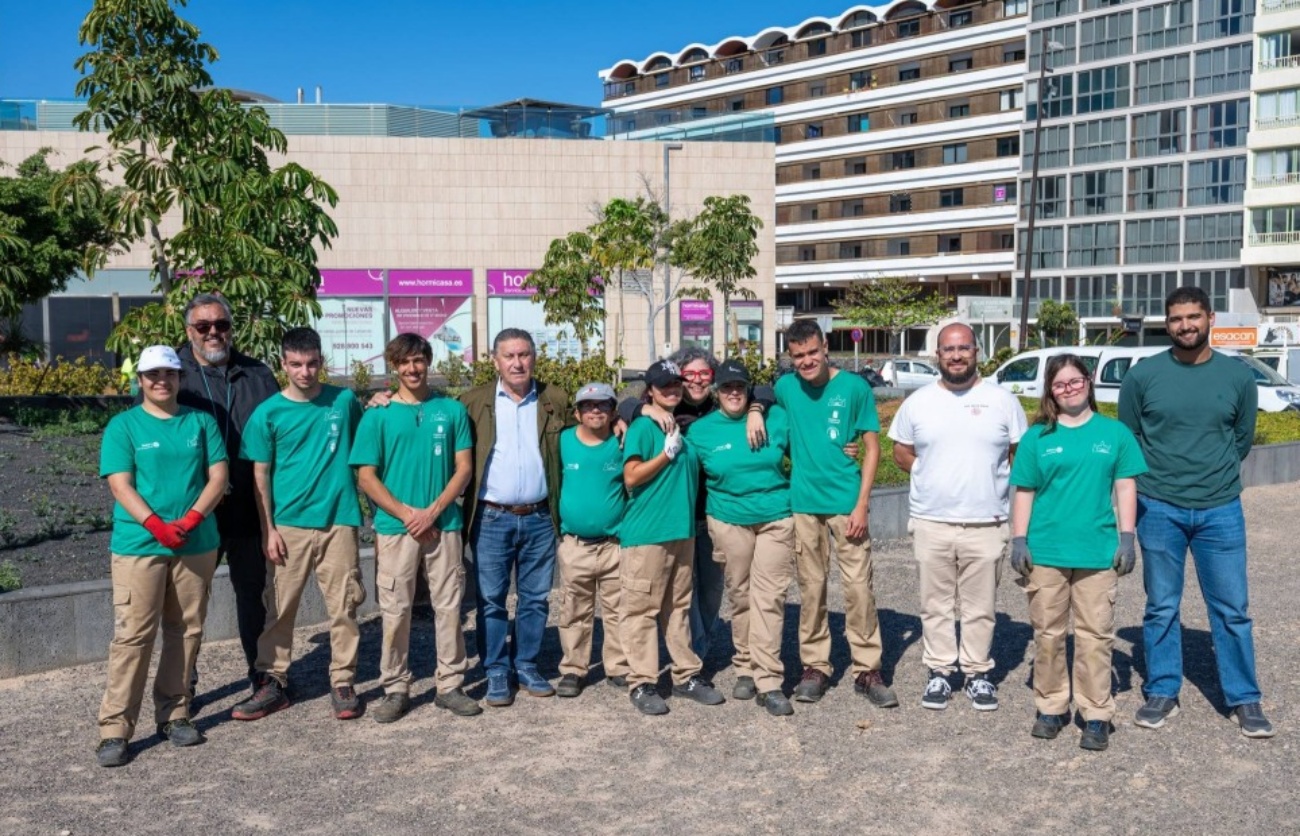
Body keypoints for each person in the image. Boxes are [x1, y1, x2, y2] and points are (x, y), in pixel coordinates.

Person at [1119, 286, 1276, 739]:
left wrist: (1213, 476)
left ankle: (1244, 698)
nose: (1185, 325)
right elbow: (1130, 441)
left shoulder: (1237, 377)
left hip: (1220, 508)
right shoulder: (1143, 376)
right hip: (1157, 507)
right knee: (1161, 606)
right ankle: (1162, 689)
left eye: (1193, 317)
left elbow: (1241, 438)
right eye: (1176, 319)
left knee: (1232, 609)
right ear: (1166, 324)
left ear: (1210, 318)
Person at [95, 345, 229, 767]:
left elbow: (218, 477)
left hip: (196, 542)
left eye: (169, 373)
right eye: (152, 374)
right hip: (140, 546)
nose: (161, 381)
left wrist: (190, 520)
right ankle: (115, 729)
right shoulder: (124, 426)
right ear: (140, 380)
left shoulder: (201, 422)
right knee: (134, 635)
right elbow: (120, 484)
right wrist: (156, 525)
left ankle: (175, 713)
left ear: (179, 378)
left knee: (186, 630)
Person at [1010, 354, 1147, 751]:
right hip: (1046, 552)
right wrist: (1019, 539)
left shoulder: (1115, 433)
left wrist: (1127, 537)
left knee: (1095, 636)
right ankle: (1051, 707)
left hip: (1097, 552)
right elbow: (1024, 491)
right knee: (1048, 635)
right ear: (1050, 391)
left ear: (1088, 382)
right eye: (1059, 384)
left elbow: (1125, 487)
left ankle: (1096, 712)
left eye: (1075, 381)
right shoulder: (1037, 437)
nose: (1068, 389)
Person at [887, 323, 1027, 712]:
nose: (956, 356)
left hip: (987, 520)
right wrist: (928, 471)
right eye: (948, 349)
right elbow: (900, 451)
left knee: (981, 606)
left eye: (964, 348)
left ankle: (978, 673)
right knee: (935, 604)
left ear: (976, 352)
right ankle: (940, 671)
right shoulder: (919, 402)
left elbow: (1018, 453)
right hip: (931, 520)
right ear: (938, 355)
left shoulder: (1002, 401)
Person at [231, 327, 367, 722]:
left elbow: (367, 442)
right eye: (295, 364)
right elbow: (260, 475)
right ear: (283, 364)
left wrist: (379, 402)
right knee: (279, 607)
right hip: (288, 525)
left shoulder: (344, 401)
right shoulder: (268, 413)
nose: (304, 372)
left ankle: (343, 680)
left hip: (338, 520)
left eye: (311, 364)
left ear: (321, 362)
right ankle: (273, 681)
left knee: (345, 605)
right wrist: (268, 529)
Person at [351, 333, 479, 722]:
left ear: (428, 361)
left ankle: (450, 685)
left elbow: (464, 468)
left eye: (419, 360)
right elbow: (366, 477)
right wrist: (408, 515)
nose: (412, 368)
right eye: (404, 362)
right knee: (395, 609)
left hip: (444, 525)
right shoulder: (378, 415)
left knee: (449, 606)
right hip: (395, 528)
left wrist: (433, 511)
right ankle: (395, 687)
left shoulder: (451, 410)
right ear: (394, 366)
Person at [617, 347, 770, 662]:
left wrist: (756, 408)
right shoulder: (667, 408)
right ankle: (693, 655)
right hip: (676, 517)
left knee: (712, 590)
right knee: (683, 593)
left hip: (712, 513)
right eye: (690, 375)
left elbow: (768, 390)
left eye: (704, 374)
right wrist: (644, 409)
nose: (697, 381)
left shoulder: (721, 403)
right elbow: (625, 401)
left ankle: (700, 645)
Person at [775, 319, 896, 708]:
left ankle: (867, 669)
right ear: (790, 357)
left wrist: (862, 503)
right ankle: (815, 666)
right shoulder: (785, 388)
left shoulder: (854, 388)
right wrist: (757, 410)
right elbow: (757, 402)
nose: (807, 361)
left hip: (846, 503)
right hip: (804, 504)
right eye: (798, 356)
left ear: (825, 347)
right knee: (811, 588)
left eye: (813, 352)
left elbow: (872, 447)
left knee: (859, 588)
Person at [460, 329, 575, 706]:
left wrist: (626, 415)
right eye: (509, 356)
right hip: (491, 517)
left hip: (540, 517)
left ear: (534, 357)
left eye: (524, 355)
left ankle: (526, 664)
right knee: (491, 599)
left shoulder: (554, 398)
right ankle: (496, 669)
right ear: (495, 360)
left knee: (536, 598)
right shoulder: (473, 402)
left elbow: (587, 431)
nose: (517, 363)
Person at [173, 293, 279, 692]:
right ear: (189, 331)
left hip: (248, 507)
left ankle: (263, 675)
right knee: (188, 602)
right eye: (203, 326)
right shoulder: (172, 375)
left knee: (253, 595)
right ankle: (181, 685)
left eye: (222, 325)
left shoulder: (257, 374)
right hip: (197, 509)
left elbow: (285, 426)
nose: (213, 332)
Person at [688, 359, 797, 717]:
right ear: (716, 392)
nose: (733, 392)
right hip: (728, 520)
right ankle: (745, 666)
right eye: (726, 387)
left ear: (749, 389)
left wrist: (845, 451)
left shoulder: (775, 418)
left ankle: (769, 680)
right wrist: (631, 412)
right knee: (740, 594)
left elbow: (807, 452)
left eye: (740, 386)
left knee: (770, 597)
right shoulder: (701, 431)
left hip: (775, 518)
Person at [620, 360, 724, 715]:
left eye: (676, 383)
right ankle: (641, 682)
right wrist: (665, 456)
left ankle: (686, 675)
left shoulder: (678, 425)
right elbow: (631, 476)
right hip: (647, 534)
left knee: (678, 608)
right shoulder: (643, 427)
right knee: (641, 610)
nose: (672, 389)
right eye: (664, 385)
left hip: (681, 532)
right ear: (650, 391)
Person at [554, 381, 630, 697]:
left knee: (619, 609)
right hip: (575, 545)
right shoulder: (562, 441)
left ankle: (619, 667)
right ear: (577, 412)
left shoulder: (623, 441)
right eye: (588, 405)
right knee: (574, 610)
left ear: (613, 411)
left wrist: (625, 419)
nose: (595, 410)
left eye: (603, 405)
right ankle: (574, 669)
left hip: (614, 544)